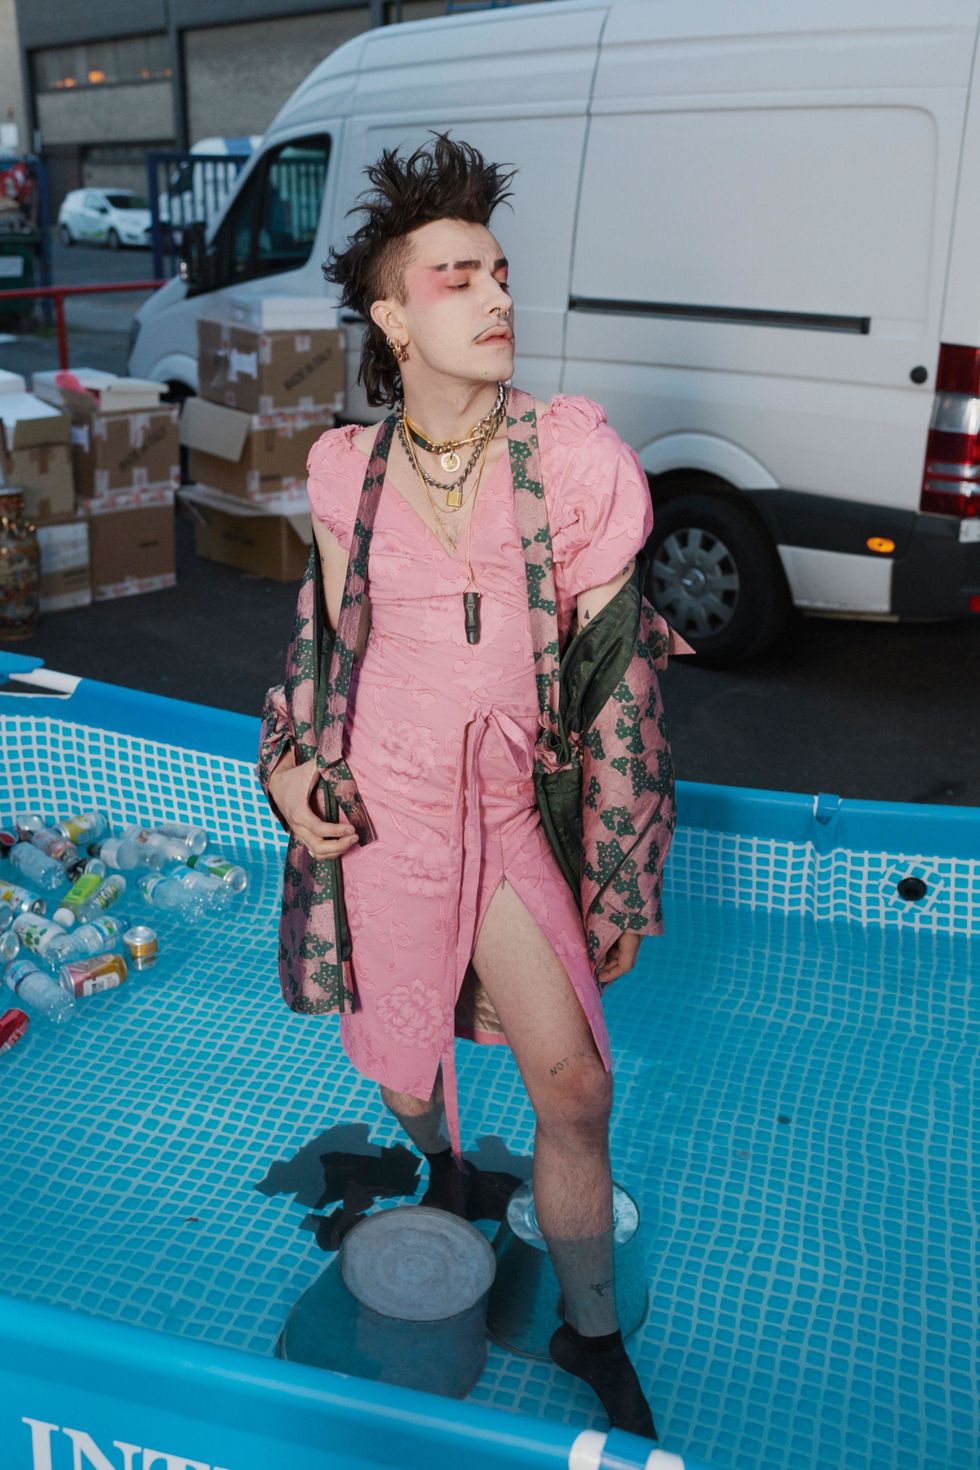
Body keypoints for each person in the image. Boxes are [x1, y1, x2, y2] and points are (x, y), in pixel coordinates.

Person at [265, 132, 666, 1440]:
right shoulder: (346, 472)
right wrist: (289, 771)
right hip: (384, 812)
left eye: (500, 273)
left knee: (576, 1088)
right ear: (394, 315)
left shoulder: (573, 460)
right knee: (405, 1074)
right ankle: (442, 1167)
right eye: (458, 277)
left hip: (503, 814)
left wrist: (622, 871)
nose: (497, 297)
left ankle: (588, 1326)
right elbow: (325, 655)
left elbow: (620, 689)